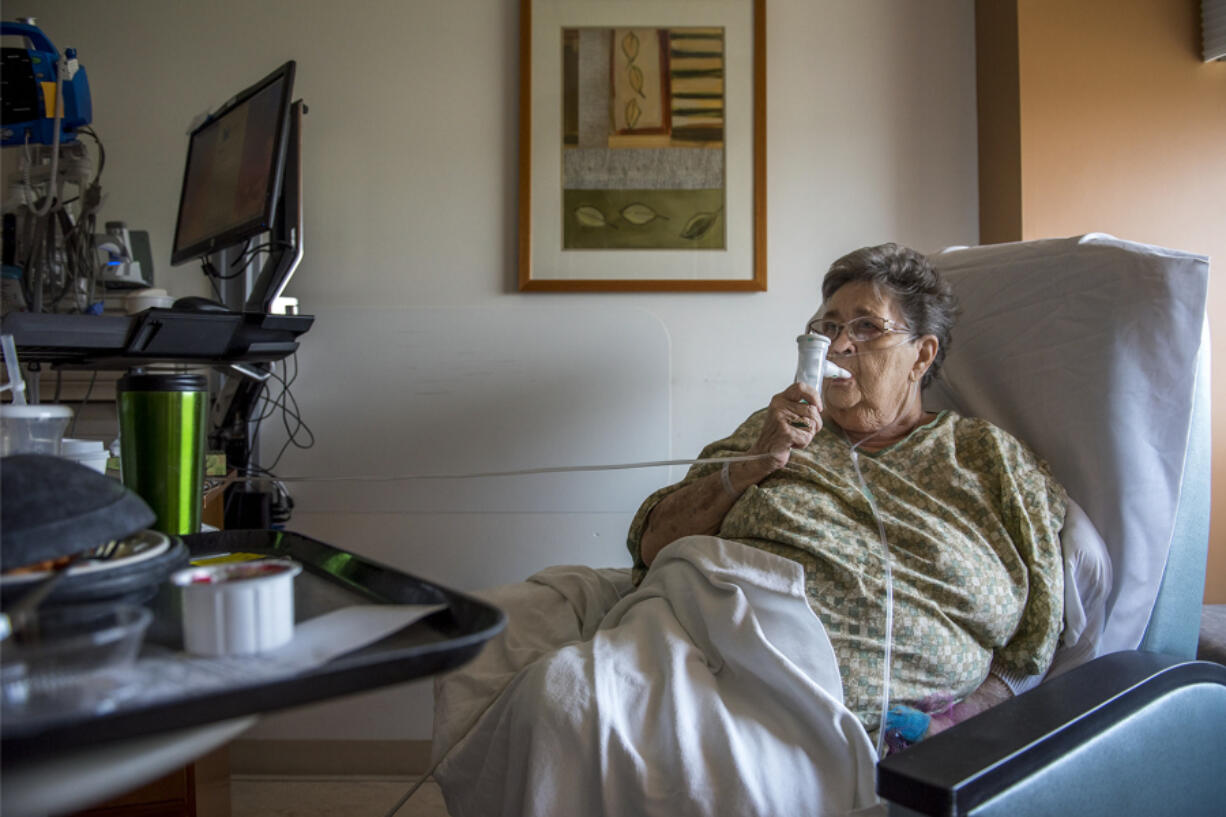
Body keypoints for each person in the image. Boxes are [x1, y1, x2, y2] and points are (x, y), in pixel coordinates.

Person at [628, 242, 1066, 743]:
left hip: (873, 735)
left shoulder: (985, 457)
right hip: (702, 661)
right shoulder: (772, 430)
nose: (838, 345)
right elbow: (652, 543)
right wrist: (749, 469)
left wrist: (958, 726)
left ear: (922, 354)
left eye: (866, 327)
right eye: (828, 328)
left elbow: (1038, 629)